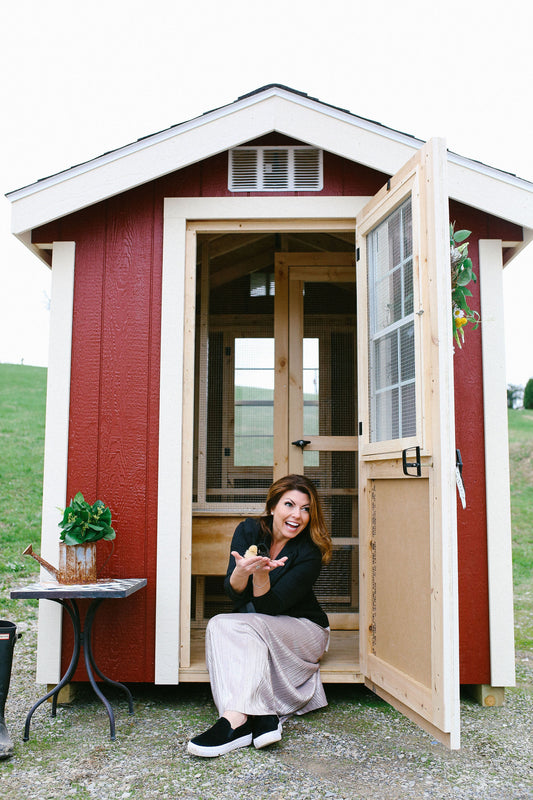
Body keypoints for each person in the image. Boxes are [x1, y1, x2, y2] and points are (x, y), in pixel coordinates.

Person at [187, 474, 332, 758]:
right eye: (289, 504)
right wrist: (242, 572)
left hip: (306, 631)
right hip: (261, 625)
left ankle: (234, 724)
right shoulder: (249, 531)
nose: (297, 515)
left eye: (305, 509)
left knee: (242, 627)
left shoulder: (309, 551)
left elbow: (271, 607)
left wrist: (262, 576)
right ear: (273, 506)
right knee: (219, 624)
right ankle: (254, 716)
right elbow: (235, 594)